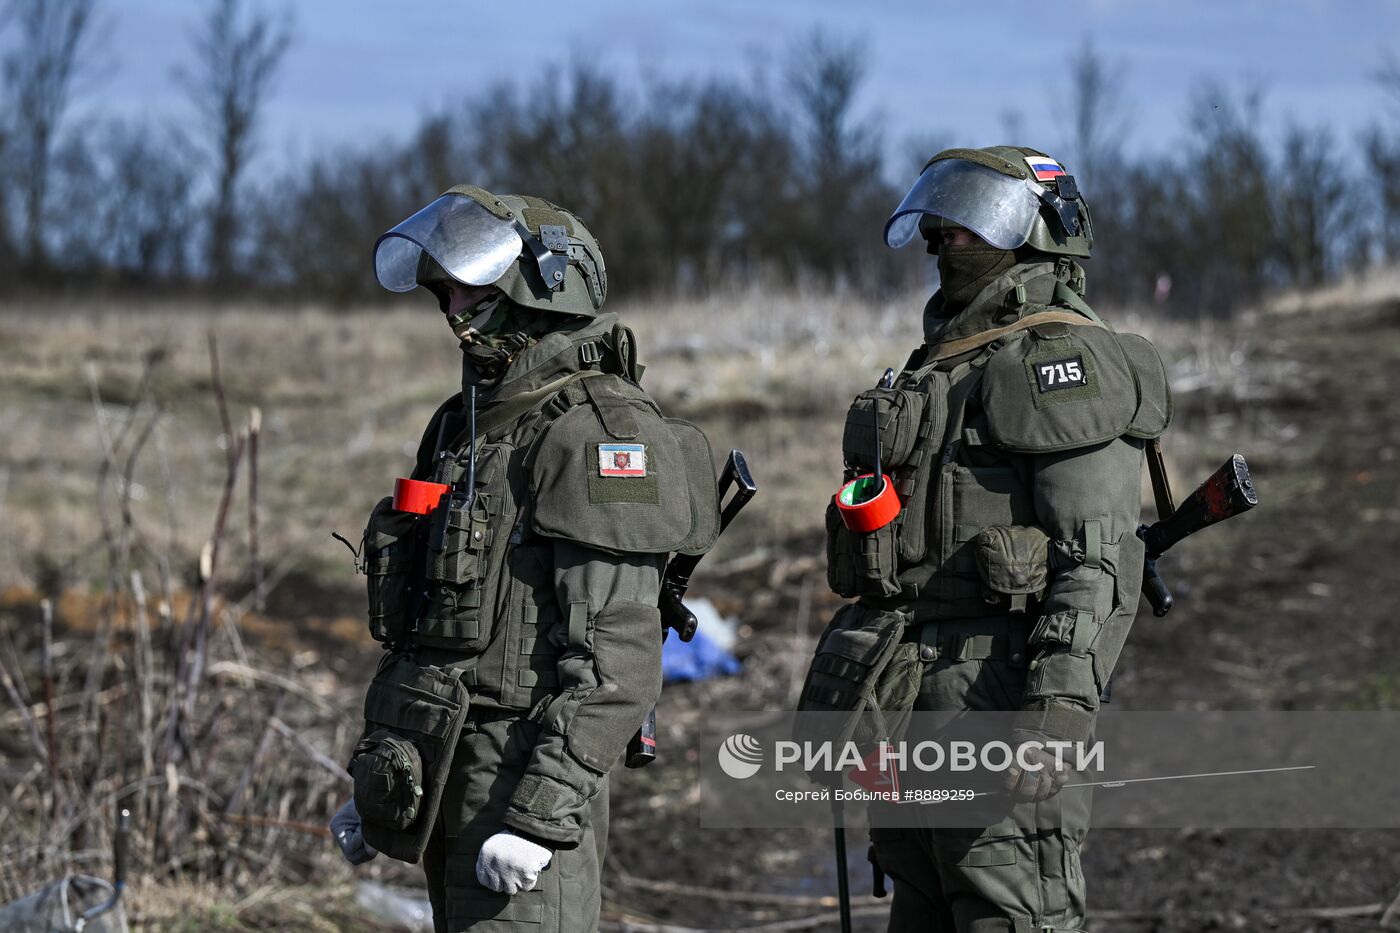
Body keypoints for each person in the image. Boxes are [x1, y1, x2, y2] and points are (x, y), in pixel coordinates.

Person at [329, 185, 720, 932]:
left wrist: (540, 814)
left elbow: (618, 661)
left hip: (524, 781)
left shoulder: (595, 430)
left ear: (538, 283)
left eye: (468, 282)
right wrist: (376, 777)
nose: (450, 304)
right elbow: (427, 634)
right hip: (442, 780)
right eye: (442, 285)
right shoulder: (461, 424)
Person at [801, 147, 1172, 932]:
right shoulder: (937, 364)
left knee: (1013, 909)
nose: (943, 239)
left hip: (998, 695)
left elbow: (1097, 559)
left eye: (967, 226)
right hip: (906, 695)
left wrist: (1056, 715)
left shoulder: (1058, 357)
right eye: (938, 226)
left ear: (1034, 232)